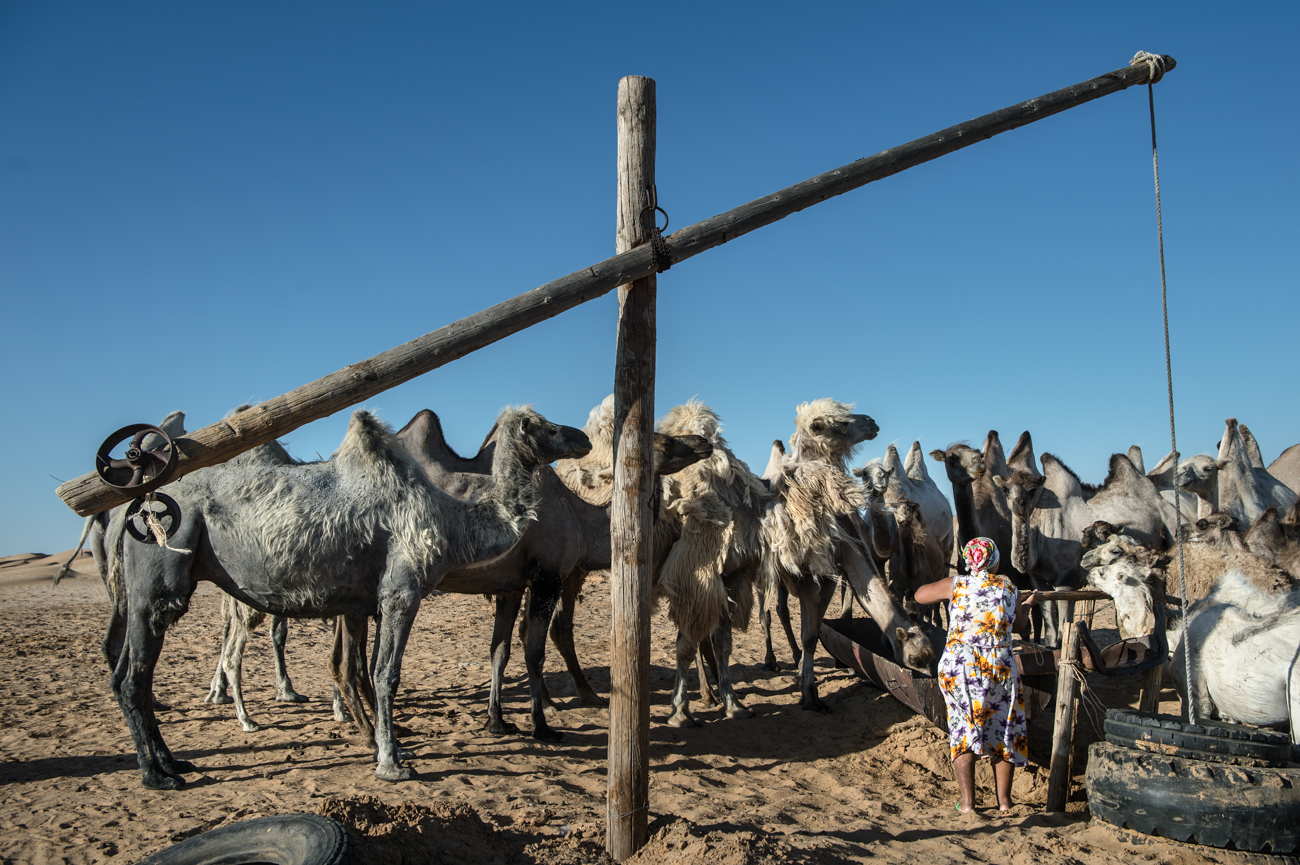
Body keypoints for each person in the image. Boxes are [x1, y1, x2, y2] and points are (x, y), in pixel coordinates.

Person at [915, 537, 1041, 817]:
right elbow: (1020, 626)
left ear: (967, 559)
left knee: (963, 729)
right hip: (1000, 666)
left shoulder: (956, 585)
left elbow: (919, 595)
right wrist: (1026, 604)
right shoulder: (1009, 587)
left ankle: (968, 804)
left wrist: (947, 584)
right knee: (1004, 729)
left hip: (961, 666)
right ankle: (1005, 802)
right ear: (995, 560)